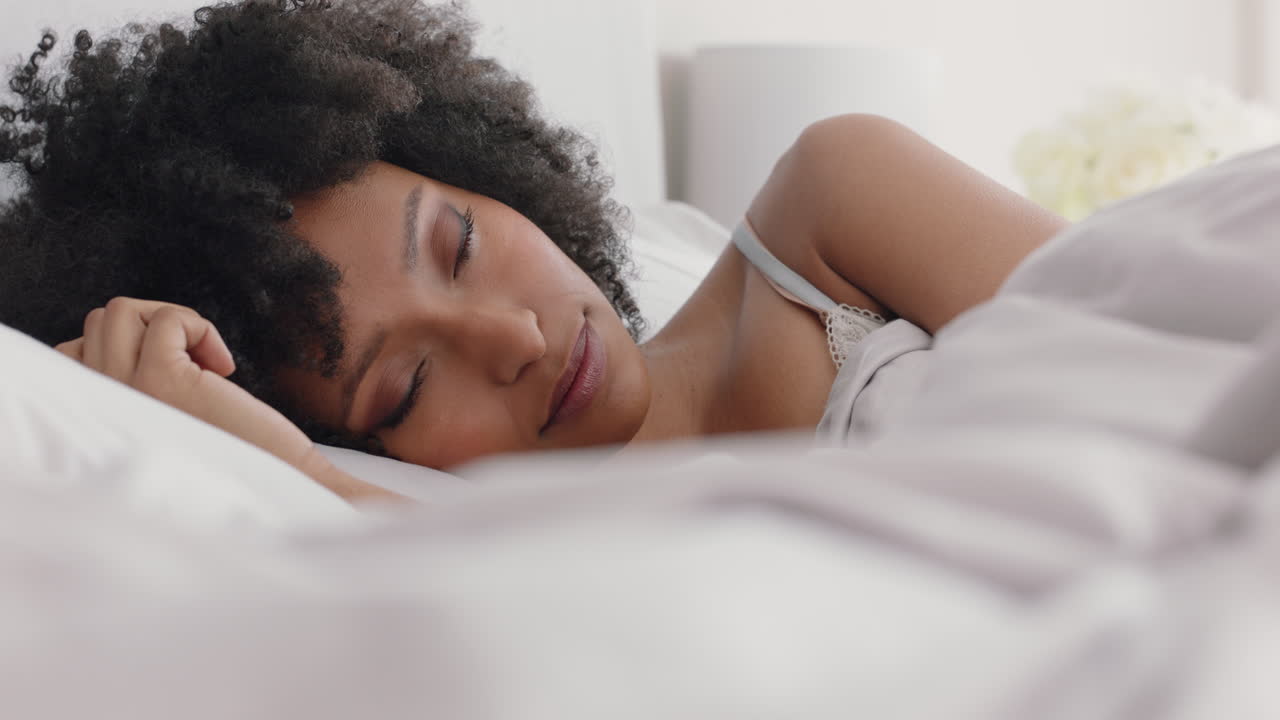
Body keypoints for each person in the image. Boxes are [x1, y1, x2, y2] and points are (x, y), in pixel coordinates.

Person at [0, 0, 1066, 500]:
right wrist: (262, 462)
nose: (511, 336)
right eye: (405, 388)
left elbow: (1178, 329)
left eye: (459, 244)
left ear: (493, 175)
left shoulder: (838, 198)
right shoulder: (465, 554)